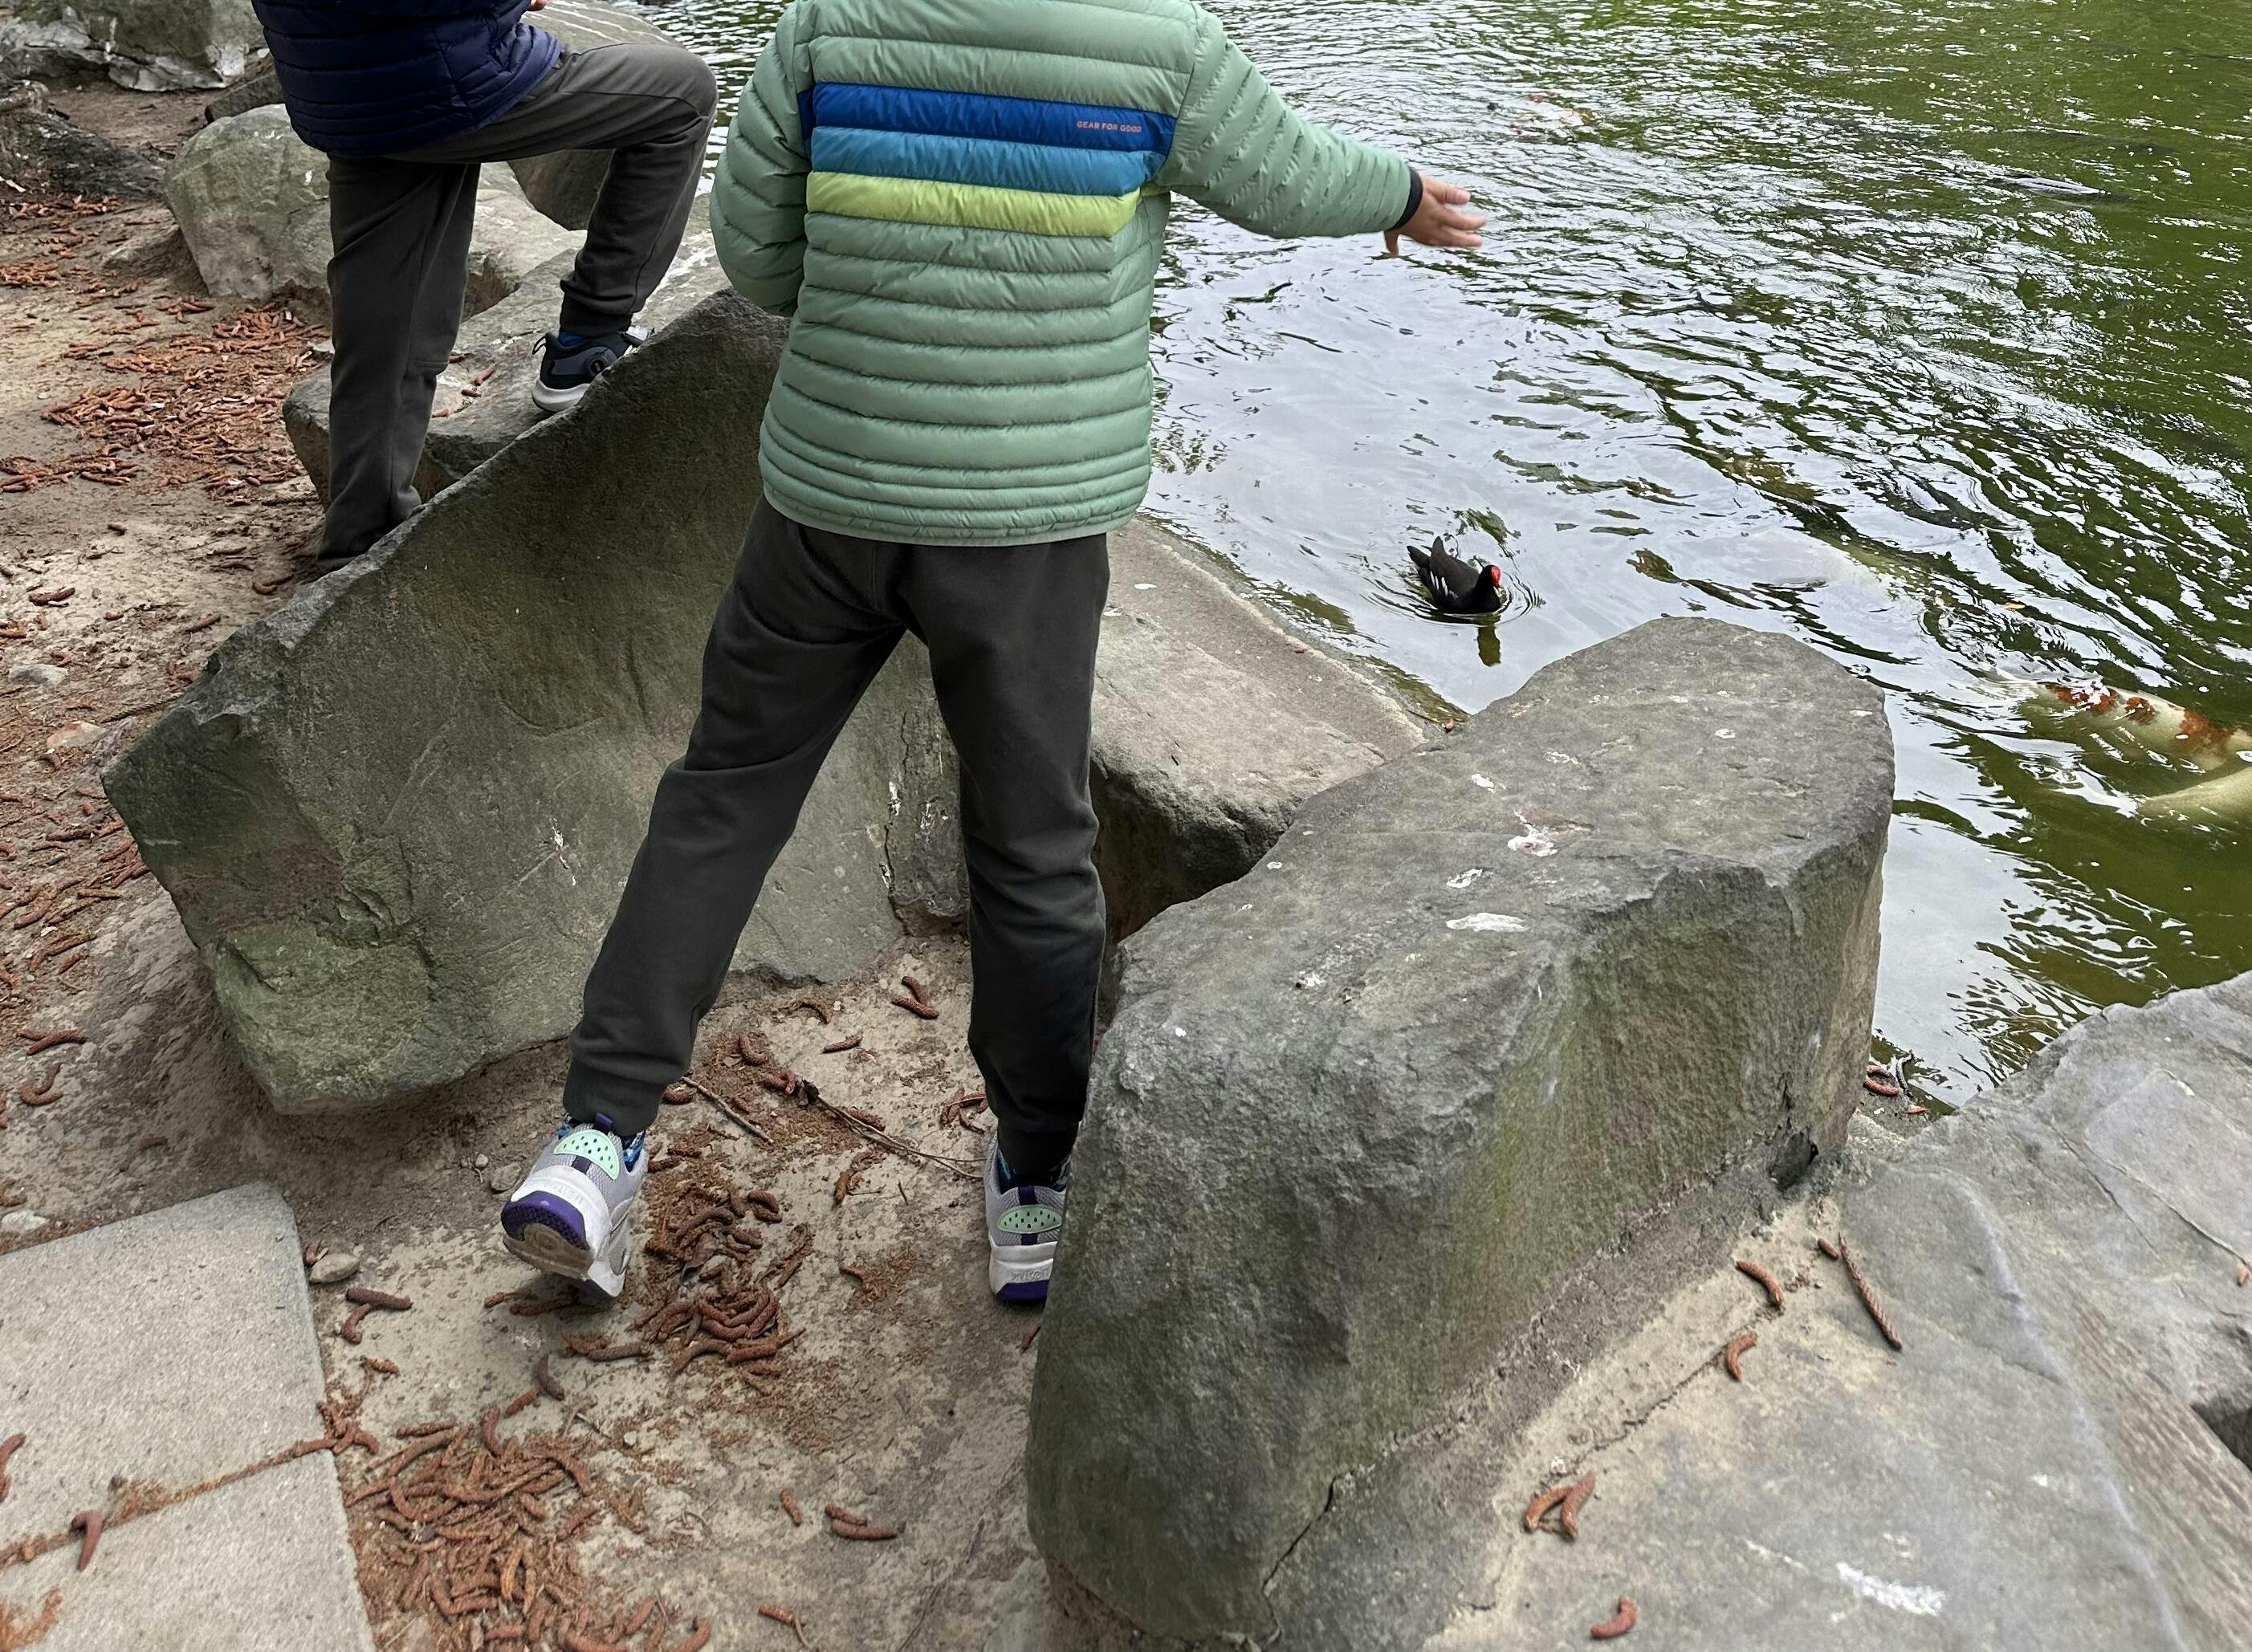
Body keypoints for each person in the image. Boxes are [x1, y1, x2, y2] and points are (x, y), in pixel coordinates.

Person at [498, 0, 1484, 1304]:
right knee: (1030, 851)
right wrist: (1403, 193)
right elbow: (1287, 175)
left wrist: (874, 307)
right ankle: (1037, 1177)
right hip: (1026, 531)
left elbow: (757, 253)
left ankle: (593, 1144)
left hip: (829, 501)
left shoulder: (830, 22)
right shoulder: (1158, 44)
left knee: (721, 799)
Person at [250, 0, 719, 575]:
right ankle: (587, 343)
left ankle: (360, 544)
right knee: (682, 95)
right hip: (440, 74)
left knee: (393, 305)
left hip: (340, 84)